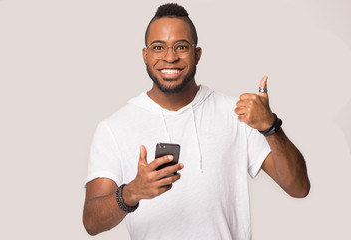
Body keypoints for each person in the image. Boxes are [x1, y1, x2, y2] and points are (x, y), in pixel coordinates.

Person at [83, 3, 310, 240]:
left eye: (181, 47)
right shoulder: (114, 127)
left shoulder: (237, 114)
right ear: (145, 55)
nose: (170, 57)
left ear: (197, 54)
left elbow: (299, 188)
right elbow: (91, 222)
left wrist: (270, 126)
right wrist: (131, 193)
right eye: (158, 47)